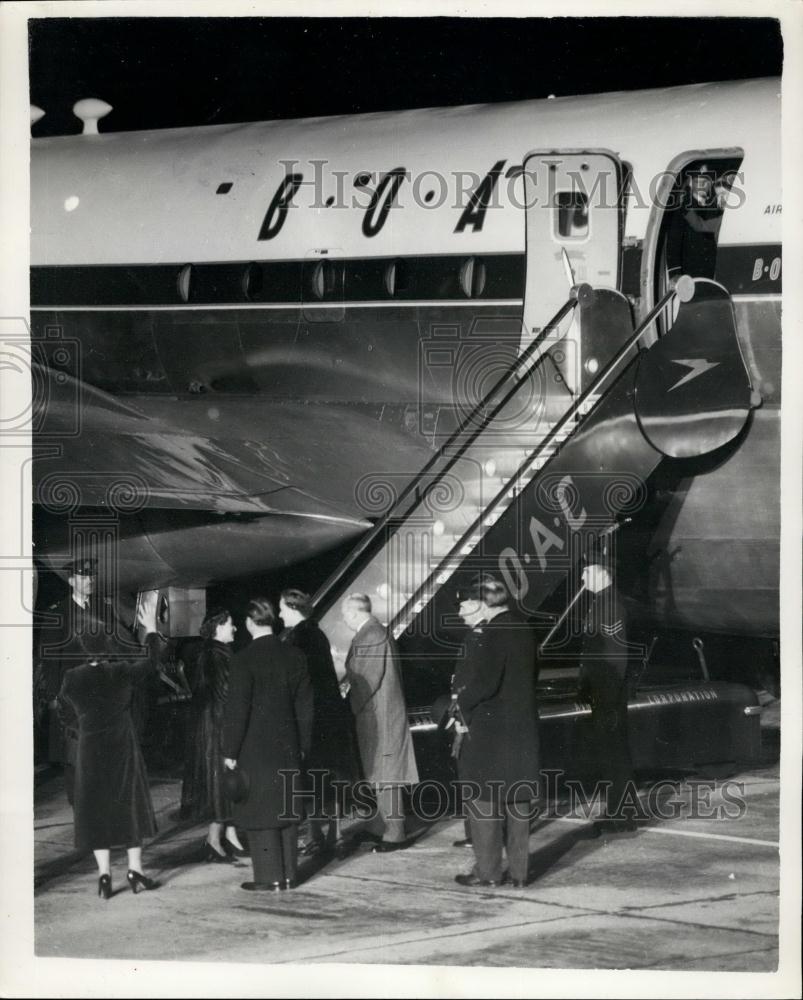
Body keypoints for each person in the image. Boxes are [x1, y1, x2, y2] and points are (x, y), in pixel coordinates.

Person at [56, 590, 164, 899]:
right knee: (130, 806)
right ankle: (135, 871)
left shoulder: (72, 678)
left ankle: (104, 876)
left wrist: (84, 728)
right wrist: (151, 631)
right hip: (122, 748)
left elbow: (64, 713)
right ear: (108, 645)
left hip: (90, 750)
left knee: (95, 810)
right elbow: (150, 662)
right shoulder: (121, 672)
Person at [452, 576, 540, 889]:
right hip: (522, 728)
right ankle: (519, 873)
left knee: (484, 802)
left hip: (491, 732)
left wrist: (459, 703)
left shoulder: (493, 632)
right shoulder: (524, 629)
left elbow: (485, 684)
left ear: (484, 602)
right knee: (518, 803)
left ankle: (488, 872)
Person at [222, 597, 313, 891]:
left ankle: (268, 877)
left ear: (250, 623)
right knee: (286, 810)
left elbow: (237, 710)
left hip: (255, 748)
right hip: (288, 745)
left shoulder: (243, 659)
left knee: (260, 812)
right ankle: (289, 875)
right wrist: (303, 744)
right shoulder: (295, 655)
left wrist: (230, 751)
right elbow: (305, 706)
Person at [279, 588, 359, 856]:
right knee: (331, 777)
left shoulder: (297, 638)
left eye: (282, 608)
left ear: (293, 608)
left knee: (309, 779)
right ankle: (336, 834)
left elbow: (299, 685)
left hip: (311, 720)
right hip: (330, 716)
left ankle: (315, 835)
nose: (279, 614)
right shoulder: (318, 634)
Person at [341, 593, 419, 852]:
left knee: (387, 777)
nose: (344, 619)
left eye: (345, 614)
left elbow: (367, 681)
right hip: (379, 715)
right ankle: (382, 826)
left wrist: (349, 708)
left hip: (380, 717)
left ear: (354, 612)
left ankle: (395, 834)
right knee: (380, 774)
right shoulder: (372, 632)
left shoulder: (372, 635)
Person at [180, 608, 247, 862]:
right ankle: (214, 840)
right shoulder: (216, 655)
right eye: (231, 624)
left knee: (223, 781)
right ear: (218, 627)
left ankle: (229, 835)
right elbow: (228, 694)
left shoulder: (210, 652)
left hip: (211, 724)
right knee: (220, 782)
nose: (235, 628)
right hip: (218, 726)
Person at [34, 558, 102, 802]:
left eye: (91, 576)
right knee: (74, 756)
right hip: (71, 698)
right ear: (72, 581)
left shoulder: (101, 610)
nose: (90, 580)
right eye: (84, 577)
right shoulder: (58, 614)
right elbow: (51, 661)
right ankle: (79, 806)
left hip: (99, 696)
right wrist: (54, 697)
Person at [578, 561, 637, 835]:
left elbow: (616, 653)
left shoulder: (611, 604)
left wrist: (609, 696)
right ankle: (619, 811)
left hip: (609, 690)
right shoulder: (601, 601)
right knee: (610, 752)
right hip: (602, 689)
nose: (582, 579)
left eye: (586, 573)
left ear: (602, 574)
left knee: (615, 752)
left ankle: (622, 816)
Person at [448, 583, 490, 850]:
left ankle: (481, 834)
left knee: (475, 777)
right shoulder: (475, 636)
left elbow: (473, 684)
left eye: (463, 607)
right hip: (467, 716)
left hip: (473, 719)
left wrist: (462, 721)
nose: (460, 613)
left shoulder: (480, 637)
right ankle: (476, 832)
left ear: (477, 605)